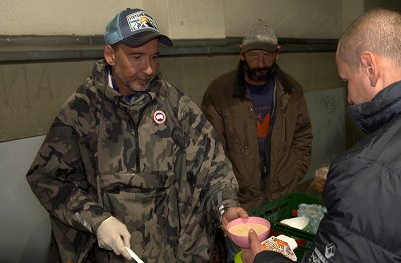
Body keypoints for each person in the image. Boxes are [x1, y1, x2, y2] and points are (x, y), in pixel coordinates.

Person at [242, 8, 401, 263]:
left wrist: (260, 260)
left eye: (346, 79)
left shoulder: (374, 172)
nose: (348, 96)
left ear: (370, 66)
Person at [26, 8, 247, 263]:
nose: (149, 69)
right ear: (110, 54)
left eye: (154, 57)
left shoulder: (176, 106)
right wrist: (98, 220)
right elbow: (47, 178)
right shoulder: (82, 111)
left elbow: (212, 167)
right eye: (137, 57)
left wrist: (225, 205)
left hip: (172, 255)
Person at [201, 19, 313, 262]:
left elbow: (303, 135)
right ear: (241, 52)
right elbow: (209, 152)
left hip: (282, 201)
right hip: (241, 208)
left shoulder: (291, 90)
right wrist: (228, 192)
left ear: (277, 53)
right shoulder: (219, 93)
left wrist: (294, 172)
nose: (261, 63)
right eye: (254, 55)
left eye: (267, 55)